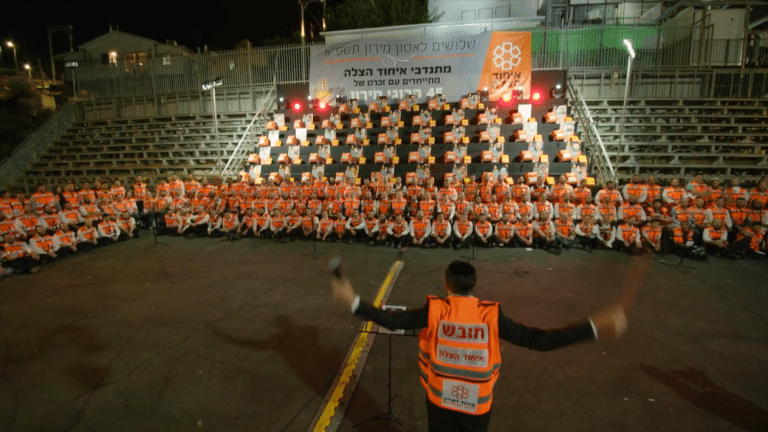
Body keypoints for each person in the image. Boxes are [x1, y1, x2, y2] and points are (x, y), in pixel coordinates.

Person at [331, 260, 628, 432]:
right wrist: (593, 327)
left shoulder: (435, 310)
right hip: (477, 406)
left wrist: (353, 302)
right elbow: (540, 340)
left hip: (440, 402)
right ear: (473, 285)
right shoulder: (491, 315)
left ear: (446, 284)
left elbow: (393, 320)